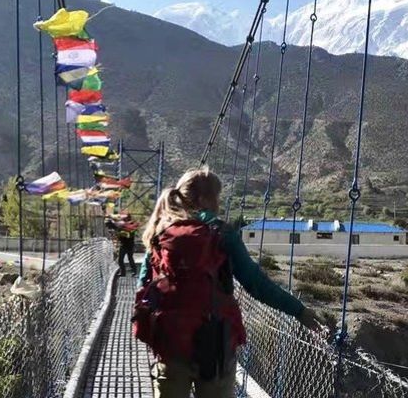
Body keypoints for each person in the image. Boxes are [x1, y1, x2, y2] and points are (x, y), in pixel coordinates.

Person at [135, 168, 321, 398]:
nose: (219, 203)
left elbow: (142, 286)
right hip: (216, 343)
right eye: (217, 197)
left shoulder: (162, 231)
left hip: (171, 343)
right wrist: (299, 311)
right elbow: (257, 284)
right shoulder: (221, 232)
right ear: (204, 199)